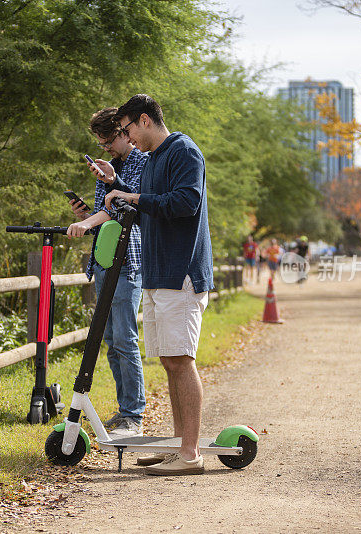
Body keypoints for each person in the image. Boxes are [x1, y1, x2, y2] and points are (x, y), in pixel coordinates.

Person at [103, 94, 213, 476]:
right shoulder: (151, 162)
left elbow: (186, 202)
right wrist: (125, 198)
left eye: (128, 129)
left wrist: (134, 196)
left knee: (181, 360)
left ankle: (190, 455)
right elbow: (151, 205)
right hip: (155, 274)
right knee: (169, 362)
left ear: (145, 120)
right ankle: (179, 446)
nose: (127, 138)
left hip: (179, 273)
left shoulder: (183, 150)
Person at [66, 107, 148, 438]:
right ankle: (125, 410)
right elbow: (106, 210)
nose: (107, 148)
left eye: (109, 140)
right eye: (100, 144)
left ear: (124, 132)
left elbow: (132, 206)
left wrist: (113, 183)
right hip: (104, 260)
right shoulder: (105, 169)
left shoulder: (143, 161)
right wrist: (86, 216)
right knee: (112, 341)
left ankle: (134, 416)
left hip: (127, 261)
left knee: (126, 339)